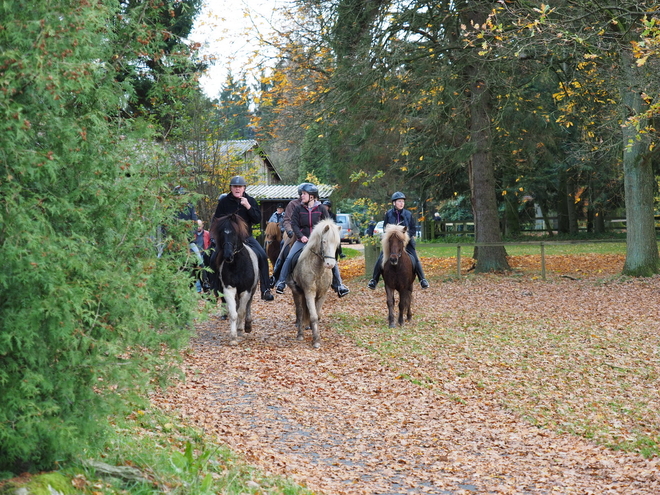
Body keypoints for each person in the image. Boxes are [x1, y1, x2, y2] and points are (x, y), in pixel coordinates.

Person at [275, 184, 349, 297]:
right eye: (301, 193)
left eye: (304, 193)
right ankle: (281, 282)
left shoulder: (321, 209)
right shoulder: (298, 208)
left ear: (312, 196)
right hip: (302, 240)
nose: (301, 195)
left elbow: (328, 224)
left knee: (331, 258)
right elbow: (294, 224)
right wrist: (301, 236)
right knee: (290, 257)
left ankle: (339, 285)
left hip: (317, 241)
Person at [211, 176, 275, 301]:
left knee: (262, 256)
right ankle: (214, 289)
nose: (237, 189)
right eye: (235, 186)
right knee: (212, 257)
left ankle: (265, 289)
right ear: (231, 188)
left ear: (244, 188)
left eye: (240, 187)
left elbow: (257, 220)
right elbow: (217, 221)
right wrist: (217, 238)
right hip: (227, 239)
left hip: (246, 237)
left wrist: (248, 207)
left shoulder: (250, 200)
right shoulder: (224, 202)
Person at [367, 191, 429, 290]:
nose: (401, 203)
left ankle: (422, 279)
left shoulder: (408, 214)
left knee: (415, 258)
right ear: (394, 203)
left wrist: (405, 237)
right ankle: (374, 280)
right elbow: (385, 228)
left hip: (406, 242)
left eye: (403, 201)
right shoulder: (388, 214)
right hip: (392, 243)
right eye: (399, 201)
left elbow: (412, 228)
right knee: (381, 258)